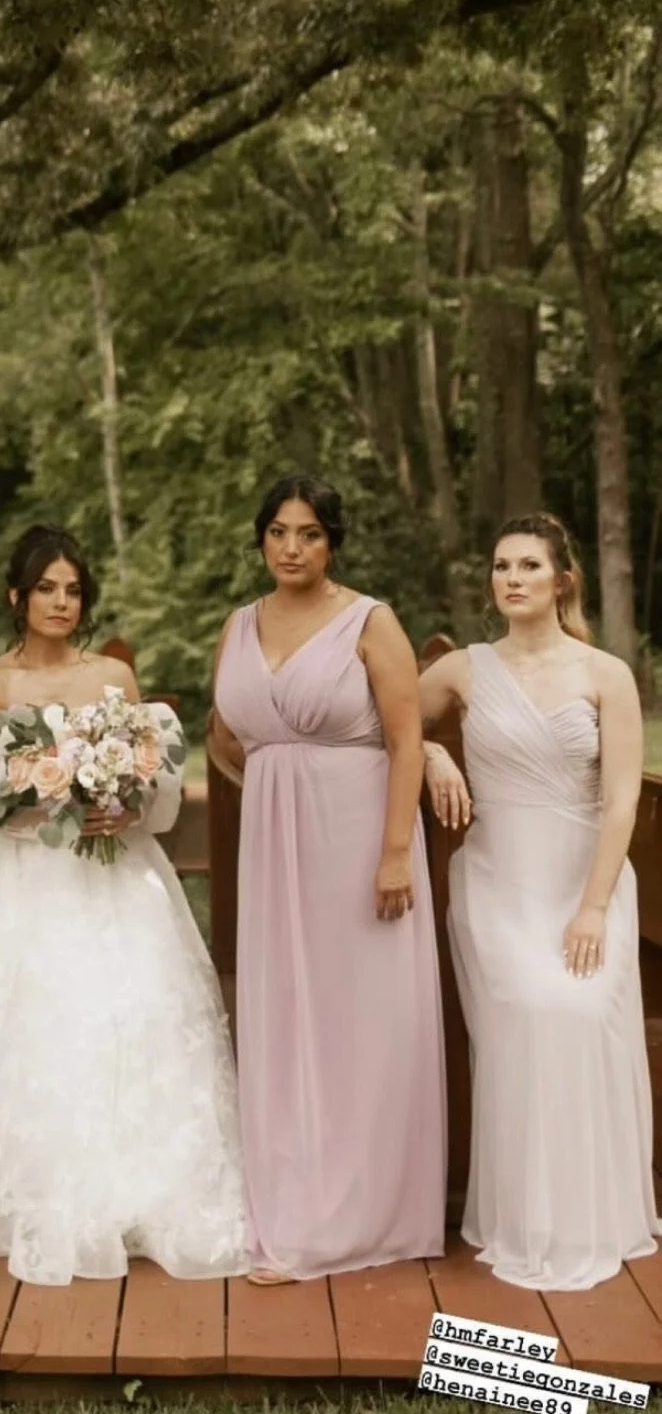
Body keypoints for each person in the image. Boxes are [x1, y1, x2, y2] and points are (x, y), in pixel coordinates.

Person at [0, 524, 251, 1286]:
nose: (61, 602)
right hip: (19, 875)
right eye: (46, 588)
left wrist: (120, 804)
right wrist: (42, 798)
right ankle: (37, 1191)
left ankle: (132, 1194)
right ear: (16, 596)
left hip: (111, 873)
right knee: (32, 1023)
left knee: (126, 1016)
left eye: (73, 590)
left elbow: (152, 784)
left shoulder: (113, 676)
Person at [210, 474, 446, 1282]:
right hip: (274, 851)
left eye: (309, 533)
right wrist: (270, 786)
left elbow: (408, 741)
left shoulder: (371, 621)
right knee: (285, 1016)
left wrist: (394, 850)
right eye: (278, 531)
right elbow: (223, 736)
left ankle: (361, 1214)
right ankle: (290, 1198)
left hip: (359, 841)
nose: (292, 547)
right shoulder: (239, 624)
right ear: (261, 539)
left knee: (358, 1022)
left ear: (332, 542)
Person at [421, 512, 659, 1290]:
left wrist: (592, 907)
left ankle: (589, 1215)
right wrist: (431, 754)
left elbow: (621, 803)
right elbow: (383, 721)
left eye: (528, 564)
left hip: (584, 882)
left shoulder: (605, 673)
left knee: (580, 1013)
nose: (512, 578)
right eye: (501, 565)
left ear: (563, 579)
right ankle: (527, 1218)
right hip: (497, 882)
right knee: (529, 1013)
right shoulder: (464, 669)